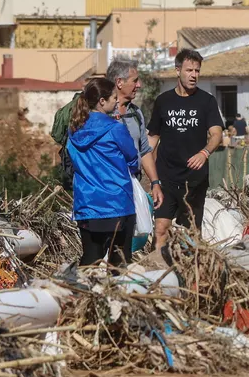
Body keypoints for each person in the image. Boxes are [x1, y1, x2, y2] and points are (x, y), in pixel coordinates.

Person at [146, 49, 223, 247]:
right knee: (161, 227)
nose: (194, 75)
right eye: (189, 70)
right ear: (177, 70)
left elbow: (216, 134)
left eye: (197, 71)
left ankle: (190, 273)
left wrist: (204, 153)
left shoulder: (207, 101)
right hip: (166, 178)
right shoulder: (163, 101)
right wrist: (142, 163)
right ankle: (158, 269)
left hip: (194, 181)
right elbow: (153, 138)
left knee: (191, 234)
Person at [67, 78, 140, 267]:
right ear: (101, 101)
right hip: (117, 203)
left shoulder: (74, 129)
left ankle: (81, 294)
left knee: (90, 260)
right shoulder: (116, 128)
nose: (117, 101)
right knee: (119, 264)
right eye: (114, 97)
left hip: (87, 205)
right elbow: (132, 158)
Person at [105, 59, 162, 210]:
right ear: (119, 82)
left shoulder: (136, 113)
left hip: (133, 186)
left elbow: (144, 151)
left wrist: (155, 183)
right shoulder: (102, 113)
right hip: (107, 190)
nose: (139, 85)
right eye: (135, 81)